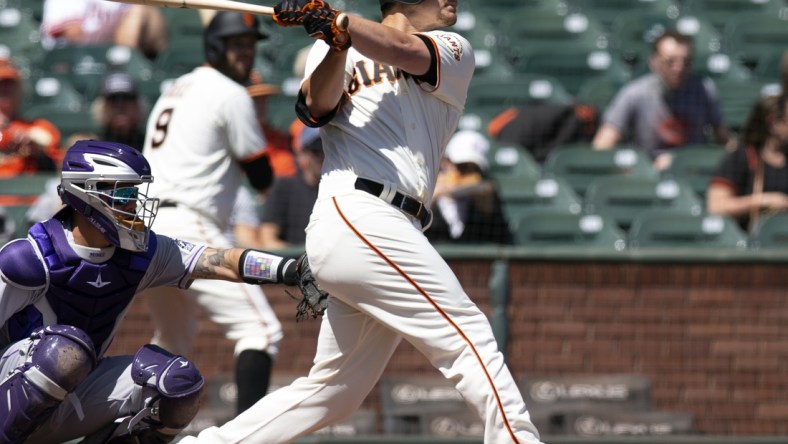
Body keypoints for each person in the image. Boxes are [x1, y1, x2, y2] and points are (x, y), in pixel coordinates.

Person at [180, 0, 544, 442]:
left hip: (393, 223)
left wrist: (341, 26)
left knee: (336, 390)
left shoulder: (454, 47)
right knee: (468, 334)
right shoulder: (335, 44)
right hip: (358, 210)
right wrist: (335, 43)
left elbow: (401, 48)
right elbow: (316, 106)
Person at [0, 140, 300, 443]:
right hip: (10, 390)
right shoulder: (28, 259)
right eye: (126, 193)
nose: (135, 204)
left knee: (178, 382)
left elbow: (222, 263)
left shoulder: (144, 255)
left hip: (76, 393)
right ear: (86, 194)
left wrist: (291, 270)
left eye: (136, 193)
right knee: (64, 351)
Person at [140, 11, 284, 415]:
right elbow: (260, 174)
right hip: (190, 223)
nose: (246, 54)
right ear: (215, 46)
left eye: (250, 46)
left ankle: (131, 427)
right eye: (237, 45)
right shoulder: (230, 92)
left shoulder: (175, 87)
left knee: (172, 337)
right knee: (260, 330)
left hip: (150, 225)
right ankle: (247, 436)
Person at [592, 30, 730, 171]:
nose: (679, 68)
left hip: (694, 173)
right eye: (670, 61)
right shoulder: (635, 94)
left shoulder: (704, 90)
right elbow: (603, 145)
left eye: (686, 62)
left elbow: (725, 139)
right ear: (654, 61)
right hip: (646, 177)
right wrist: (639, 171)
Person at [707, 94, 788, 232]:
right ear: (773, 123)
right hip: (752, 242)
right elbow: (716, 206)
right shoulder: (743, 156)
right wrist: (762, 201)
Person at [428, 129, 512, 244]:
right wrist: (430, 200)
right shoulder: (428, 195)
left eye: (475, 169)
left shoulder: (484, 199)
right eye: (462, 167)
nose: (469, 173)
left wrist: (487, 211)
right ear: (446, 163)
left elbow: (500, 237)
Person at [259, 126, 323, 249]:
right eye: (316, 150)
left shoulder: (344, 190)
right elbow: (267, 240)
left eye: (329, 149)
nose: (322, 156)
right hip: (296, 264)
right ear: (302, 153)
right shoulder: (285, 186)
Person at [40, 0, 168, 59]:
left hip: (109, 56)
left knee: (143, 9)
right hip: (71, 62)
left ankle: (125, 62)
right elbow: (73, 35)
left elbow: (155, 38)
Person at [0, 60, 62, 178]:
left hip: (26, 192)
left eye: (10, 84)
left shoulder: (36, 126)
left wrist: (32, 140)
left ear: (20, 91)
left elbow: (47, 138)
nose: (5, 89)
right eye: (1, 83)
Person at [248, 72, 298, 178]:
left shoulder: (277, 137)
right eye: (255, 100)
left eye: (263, 100)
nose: (261, 105)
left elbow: (287, 168)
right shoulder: (235, 138)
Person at [91, 72, 147, 151]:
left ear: (138, 105)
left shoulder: (151, 145)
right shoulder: (92, 147)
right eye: (113, 98)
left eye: (127, 98)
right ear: (101, 107)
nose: (120, 104)